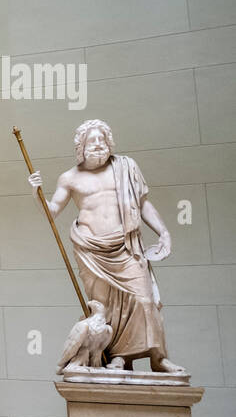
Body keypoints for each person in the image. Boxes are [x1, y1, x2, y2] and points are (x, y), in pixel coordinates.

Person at [28, 118, 184, 373]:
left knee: (145, 300)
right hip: (91, 251)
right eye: (93, 140)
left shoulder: (126, 167)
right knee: (106, 309)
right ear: (81, 147)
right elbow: (52, 211)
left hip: (126, 247)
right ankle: (119, 358)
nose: (99, 145)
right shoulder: (70, 178)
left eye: (103, 140)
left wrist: (163, 232)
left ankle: (158, 357)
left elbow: (143, 203)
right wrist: (37, 194)